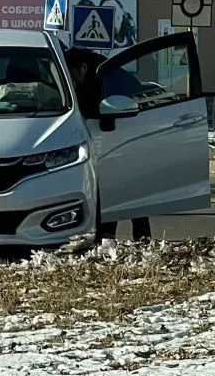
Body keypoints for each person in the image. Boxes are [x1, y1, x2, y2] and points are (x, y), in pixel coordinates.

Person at [63, 47, 152, 242]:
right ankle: (127, 237)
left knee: (122, 189)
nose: (72, 80)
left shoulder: (107, 78)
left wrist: (104, 116)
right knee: (116, 190)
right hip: (114, 139)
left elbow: (108, 106)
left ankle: (132, 237)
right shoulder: (100, 73)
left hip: (126, 137)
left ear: (83, 68)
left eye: (71, 74)